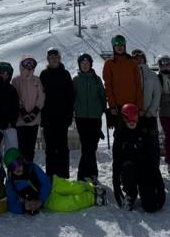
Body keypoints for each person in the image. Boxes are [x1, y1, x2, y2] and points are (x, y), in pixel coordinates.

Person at [112, 103, 166, 212]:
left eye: (134, 118)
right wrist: (116, 185)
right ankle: (131, 193)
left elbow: (152, 161)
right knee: (127, 167)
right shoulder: (120, 135)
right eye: (128, 119)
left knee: (151, 207)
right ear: (124, 119)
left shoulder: (144, 132)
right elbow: (116, 161)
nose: (131, 122)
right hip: (128, 171)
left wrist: (160, 187)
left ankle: (146, 192)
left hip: (143, 169)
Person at [39, 48, 75, 178]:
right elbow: (40, 96)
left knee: (62, 149)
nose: (53, 60)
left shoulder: (65, 74)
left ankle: (63, 177)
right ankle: (50, 177)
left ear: (59, 59)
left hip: (62, 119)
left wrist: (69, 116)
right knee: (50, 150)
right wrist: (42, 117)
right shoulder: (44, 74)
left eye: (56, 57)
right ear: (48, 60)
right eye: (51, 58)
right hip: (48, 119)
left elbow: (70, 97)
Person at [72, 53, 107, 181]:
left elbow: (102, 97)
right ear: (79, 65)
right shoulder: (76, 80)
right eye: (82, 63)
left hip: (94, 118)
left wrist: (100, 110)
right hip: (81, 118)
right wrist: (74, 109)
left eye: (87, 63)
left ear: (91, 64)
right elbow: (72, 97)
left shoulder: (96, 79)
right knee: (87, 147)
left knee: (92, 147)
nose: (85, 65)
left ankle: (87, 174)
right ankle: (89, 174)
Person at [103, 35, 143, 128]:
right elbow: (108, 86)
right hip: (118, 107)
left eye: (121, 45)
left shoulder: (132, 63)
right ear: (114, 47)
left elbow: (138, 85)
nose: (119, 47)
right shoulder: (109, 64)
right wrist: (112, 105)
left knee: (134, 133)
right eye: (117, 45)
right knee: (120, 133)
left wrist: (140, 106)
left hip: (133, 106)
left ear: (124, 46)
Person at [12, 56, 45, 162]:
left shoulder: (37, 80)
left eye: (31, 63)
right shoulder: (16, 80)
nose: (29, 66)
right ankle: (20, 169)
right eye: (27, 63)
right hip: (21, 121)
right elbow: (15, 96)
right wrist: (23, 111)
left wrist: (35, 110)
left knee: (30, 149)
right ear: (22, 65)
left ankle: (29, 169)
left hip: (34, 121)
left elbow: (41, 96)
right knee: (21, 148)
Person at [3, 147, 51, 215]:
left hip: (47, 195)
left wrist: (41, 200)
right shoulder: (11, 184)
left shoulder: (32, 168)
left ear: (22, 160)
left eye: (18, 163)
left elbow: (46, 182)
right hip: (35, 202)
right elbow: (11, 205)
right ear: (9, 170)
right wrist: (24, 207)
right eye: (12, 167)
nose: (17, 168)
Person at [0, 62, 20, 153]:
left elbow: (15, 108)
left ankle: (12, 162)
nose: (5, 76)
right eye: (2, 73)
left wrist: (11, 121)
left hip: (9, 125)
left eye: (7, 74)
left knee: (12, 149)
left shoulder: (12, 89)